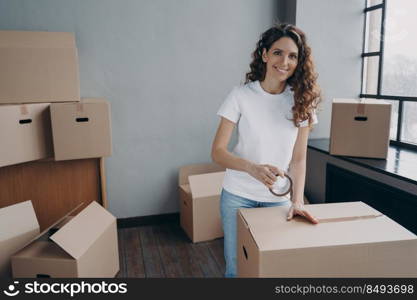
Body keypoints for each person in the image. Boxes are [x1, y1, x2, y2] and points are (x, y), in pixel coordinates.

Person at [211, 23, 321, 278]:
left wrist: (296, 200)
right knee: (236, 269)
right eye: (278, 53)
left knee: (273, 270)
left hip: (278, 199)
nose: (285, 61)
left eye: (293, 56)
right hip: (238, 196)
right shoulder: (240, 95)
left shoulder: (302, 100)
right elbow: (217, 152)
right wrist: (252, 168)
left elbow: (299, 159)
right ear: (264, 54)